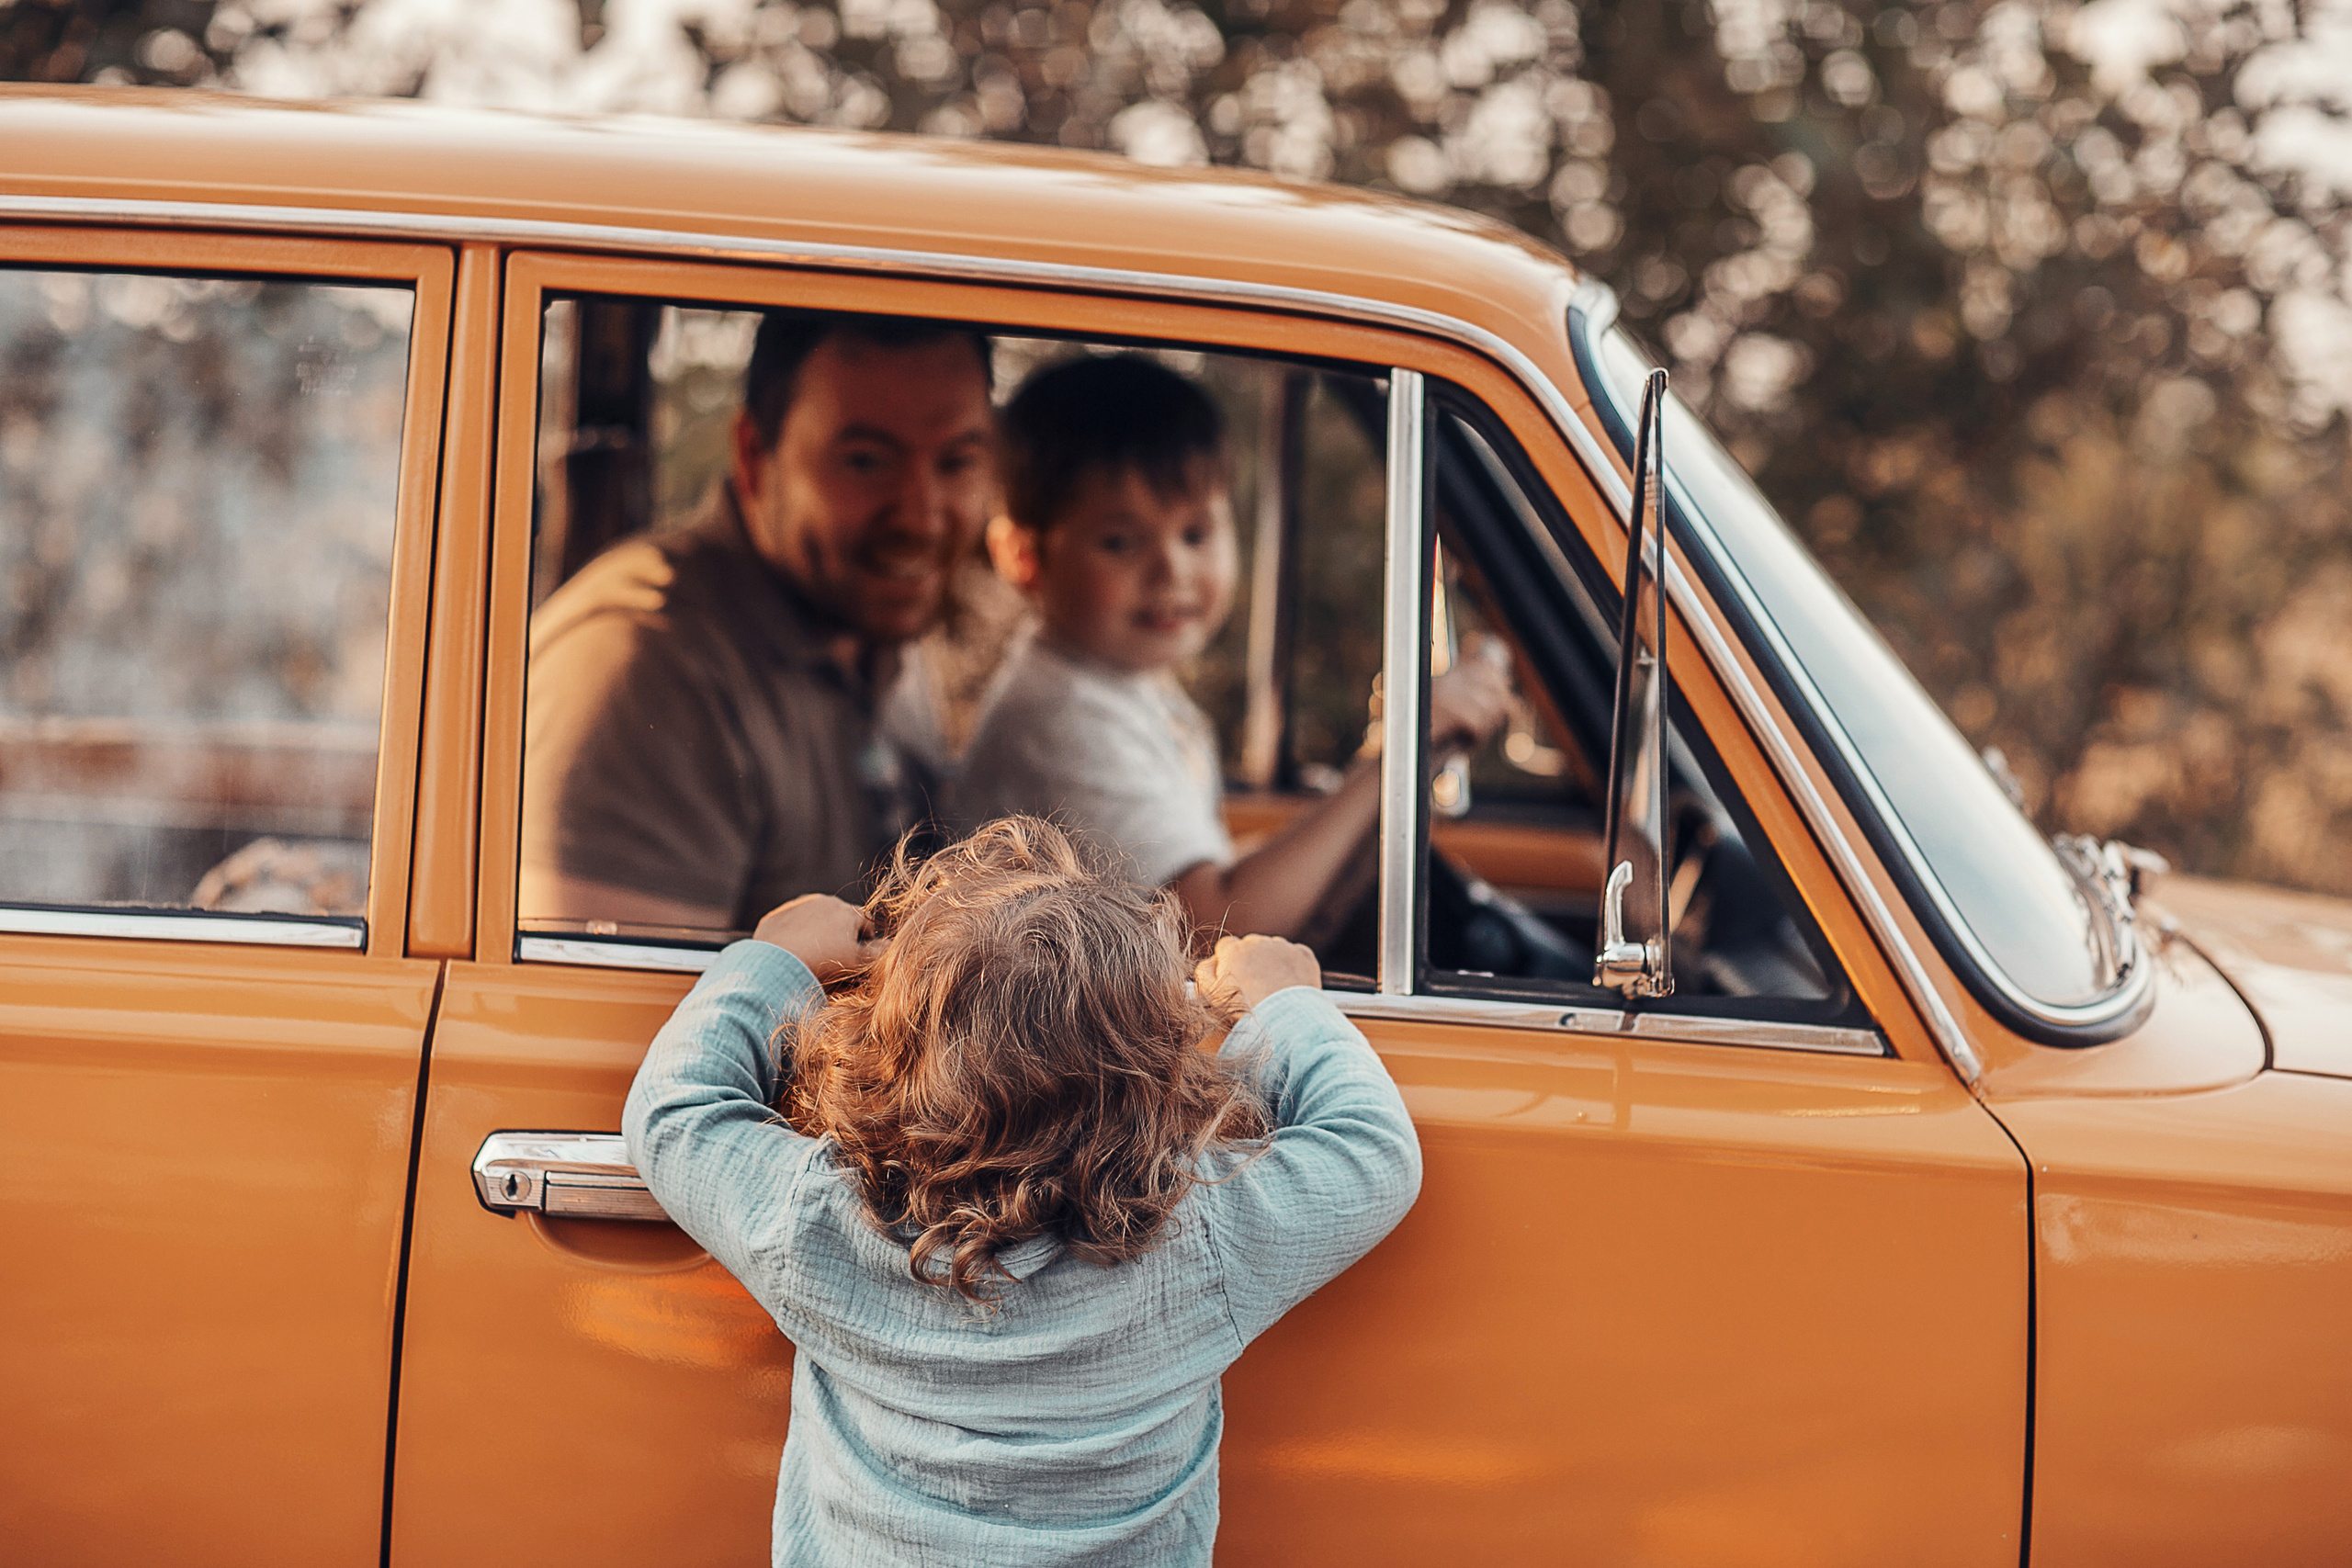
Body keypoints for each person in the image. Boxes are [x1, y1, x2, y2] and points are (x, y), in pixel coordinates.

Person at [623, 817, 1420, 1567]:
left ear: (882, 1053)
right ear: (1161, 1075)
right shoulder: (1198, 1238)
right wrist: (1283, 1003)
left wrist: (775, 959)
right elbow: (1374, 1150)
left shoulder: (821, 1220)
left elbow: (674, 1109)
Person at [956, 353, 1513, 940]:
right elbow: (1217, 931)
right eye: (1120, 542)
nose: (1172, 570)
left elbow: (1208, 876)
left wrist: (1385, 777)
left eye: (1195, 533)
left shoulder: (1118, 688)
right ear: (1023, 557)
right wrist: (1399, 752)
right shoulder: (1062, 722)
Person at [520, 311, 995, 932]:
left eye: (957, 463)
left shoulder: (865, 624)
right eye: (865, 461)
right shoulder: (648, 669)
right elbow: (591, 1021)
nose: (922, 516)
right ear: (753, 454)